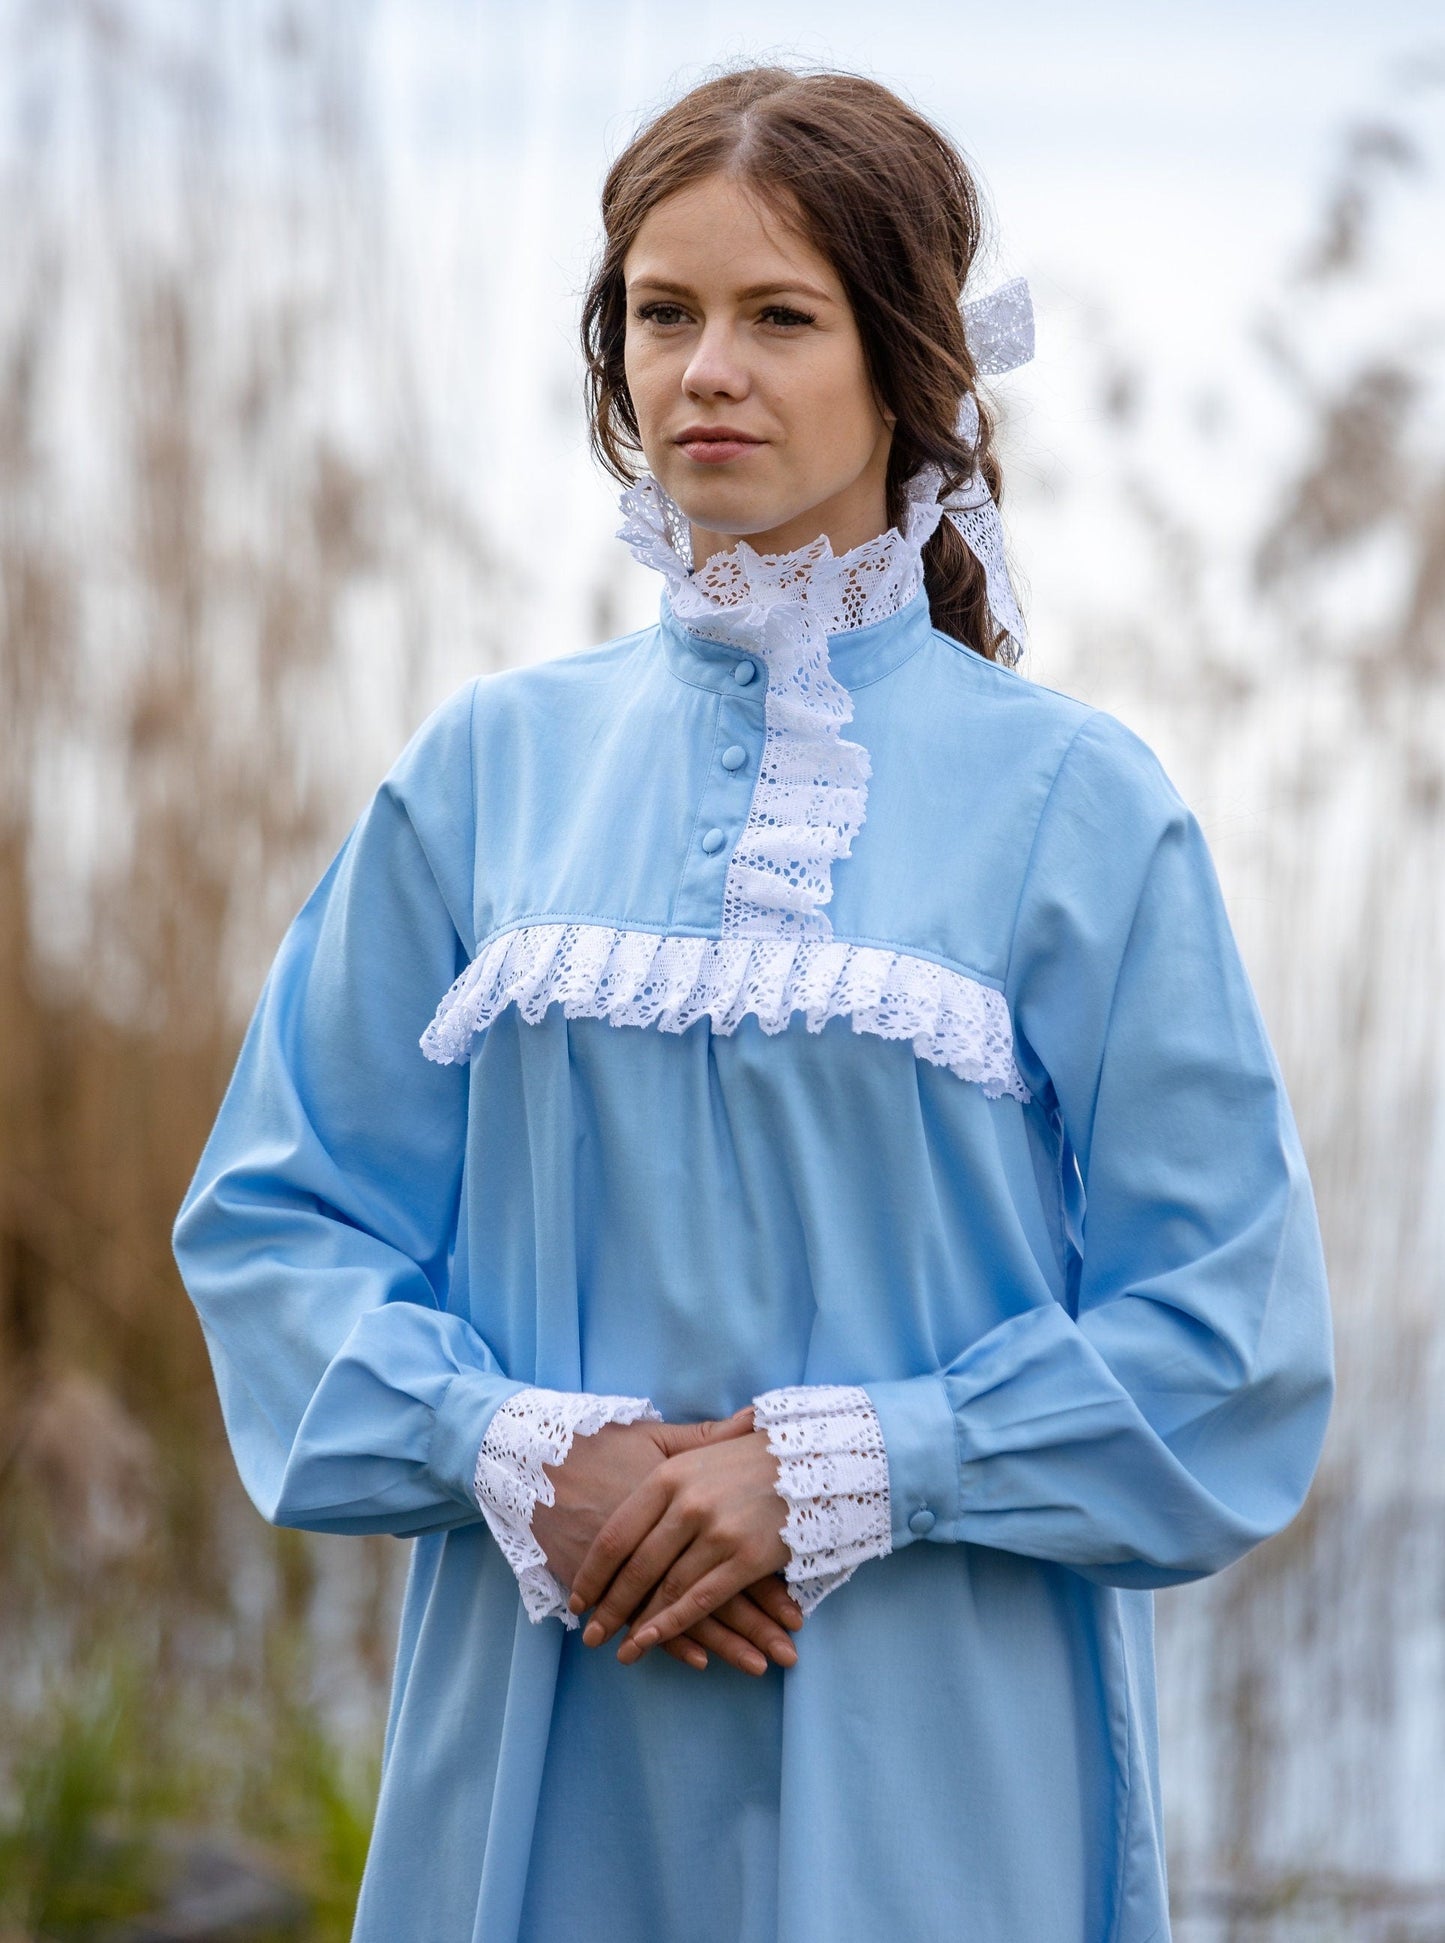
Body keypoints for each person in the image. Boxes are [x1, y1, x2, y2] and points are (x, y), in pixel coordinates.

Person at [172, 64, 1335, 1943]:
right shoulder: (486, 775)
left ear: (906, 368)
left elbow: (1234, 1344)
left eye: (778, 316)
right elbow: (272, 1225)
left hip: (934, 1747)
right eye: (663, 311)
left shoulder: (1076, 807)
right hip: (542, 1730)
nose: (706, 367)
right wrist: (515, 1452)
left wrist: (873, 1462)